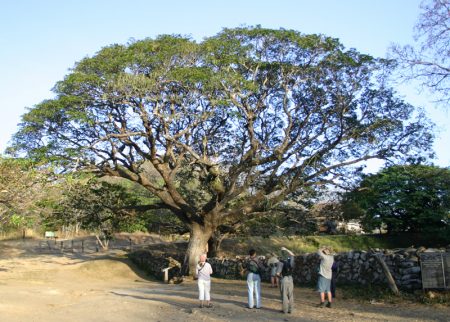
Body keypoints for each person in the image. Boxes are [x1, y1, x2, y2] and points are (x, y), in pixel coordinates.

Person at [276, 246, 295, 314]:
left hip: (284, 279)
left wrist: (279, 278)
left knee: (284, 295)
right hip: (290, 278)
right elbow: (292, 254)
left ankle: (285, 310)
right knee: (290, 295)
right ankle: (291, 309)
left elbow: (278, 273)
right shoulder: (291, 260)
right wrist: (286, 249)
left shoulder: (280, 262)